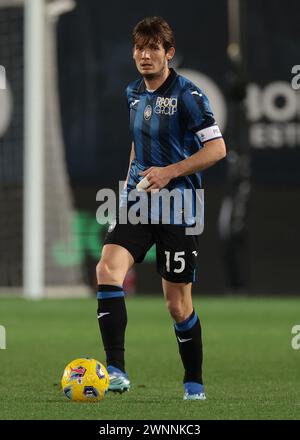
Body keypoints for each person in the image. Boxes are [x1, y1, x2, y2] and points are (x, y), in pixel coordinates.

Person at [96, 16, 226, 400]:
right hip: (138, 202)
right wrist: (127, 187)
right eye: (139, 48)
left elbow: (217, 149)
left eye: (154, 48)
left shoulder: (189, 95)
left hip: (179, 207)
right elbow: (138, 144)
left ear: (168, 53)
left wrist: (171, 172)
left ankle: (194, 383)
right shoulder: (132, 93)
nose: (145, 55)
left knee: (177, 304)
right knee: (107, 268)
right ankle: (116, 371)